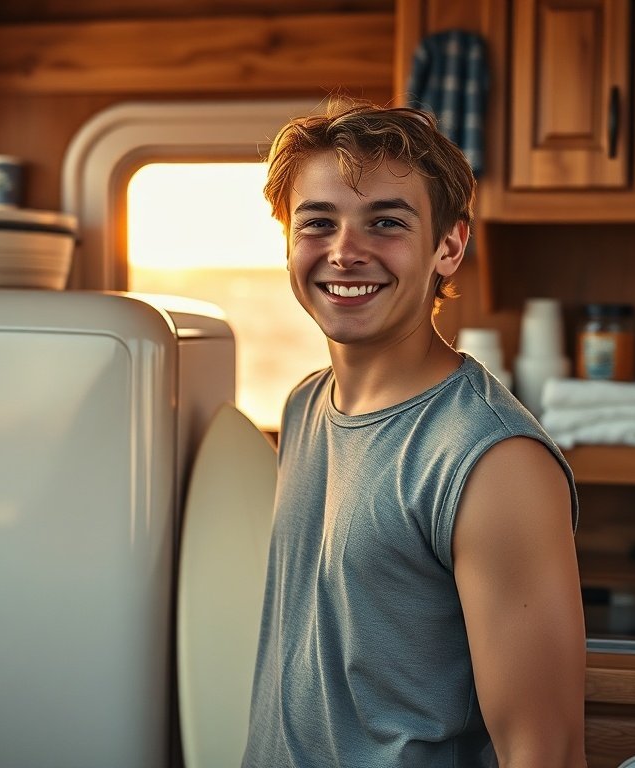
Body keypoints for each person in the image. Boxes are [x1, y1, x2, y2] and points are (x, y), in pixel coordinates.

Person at [241, 101, 586, 767]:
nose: (345, 251)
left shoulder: (493, 461)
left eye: (386, 223)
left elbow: (546, 750)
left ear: (449, 247)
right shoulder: (307, 404)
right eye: (318, 222)